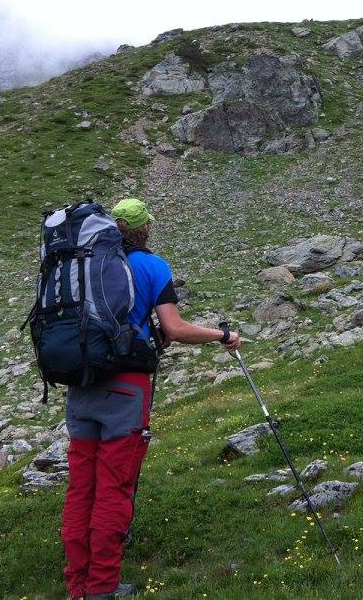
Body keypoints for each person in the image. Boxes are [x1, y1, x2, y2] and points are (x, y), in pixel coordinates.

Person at [60, 197, 240, 600]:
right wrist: (223, 335)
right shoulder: (152, 266)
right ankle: (103, 587)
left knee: (81, 488)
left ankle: (78, 585)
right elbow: (174, 329)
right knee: (114, 487)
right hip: (126, 388)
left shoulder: (83, 265)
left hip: (81, 383)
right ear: (144, 229)